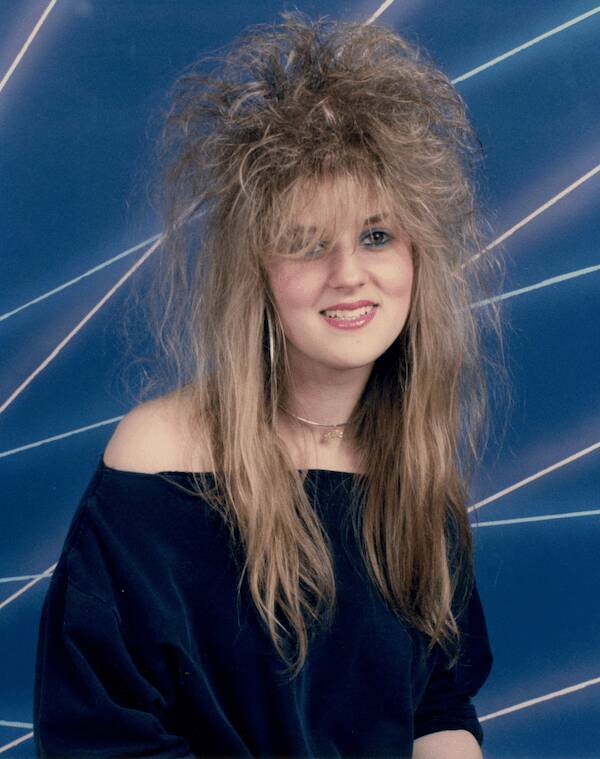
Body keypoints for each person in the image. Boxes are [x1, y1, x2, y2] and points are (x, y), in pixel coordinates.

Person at [33, 11, 503, 758]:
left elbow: (435, 703)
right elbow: (102, 736)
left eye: (376, 235)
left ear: (417, 256)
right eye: (307, 244)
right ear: (256, 272)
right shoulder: (160, 456)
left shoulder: (417, 465)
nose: (349, 274)